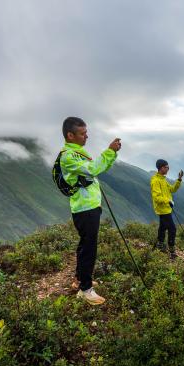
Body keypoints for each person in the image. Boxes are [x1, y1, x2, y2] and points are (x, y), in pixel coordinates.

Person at [60, 117, 121, 305]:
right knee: (89, 248)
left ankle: (79, 279)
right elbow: (94, 169)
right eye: (82, 133)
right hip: (85, 208)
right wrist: (110, 151)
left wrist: (111, 156)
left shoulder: (79, 152)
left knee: (85, 244)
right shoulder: (68, 156)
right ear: (70, 135)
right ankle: (86, 290)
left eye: (86, 132)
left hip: (90, 206)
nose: (87, 136)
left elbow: (95, 169)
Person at [150, 159, 184, 259]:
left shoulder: (163, 179)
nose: (168, 169)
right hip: (163, 209)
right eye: (166, 167)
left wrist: (179, 180)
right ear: (161, 168)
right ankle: (172, 251)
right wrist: (168, 201)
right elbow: (156, 197)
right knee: (172, 229)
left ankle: (160, 245)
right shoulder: (156, 181)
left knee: (163, 227)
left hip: (166, 208)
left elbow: (172, 189)